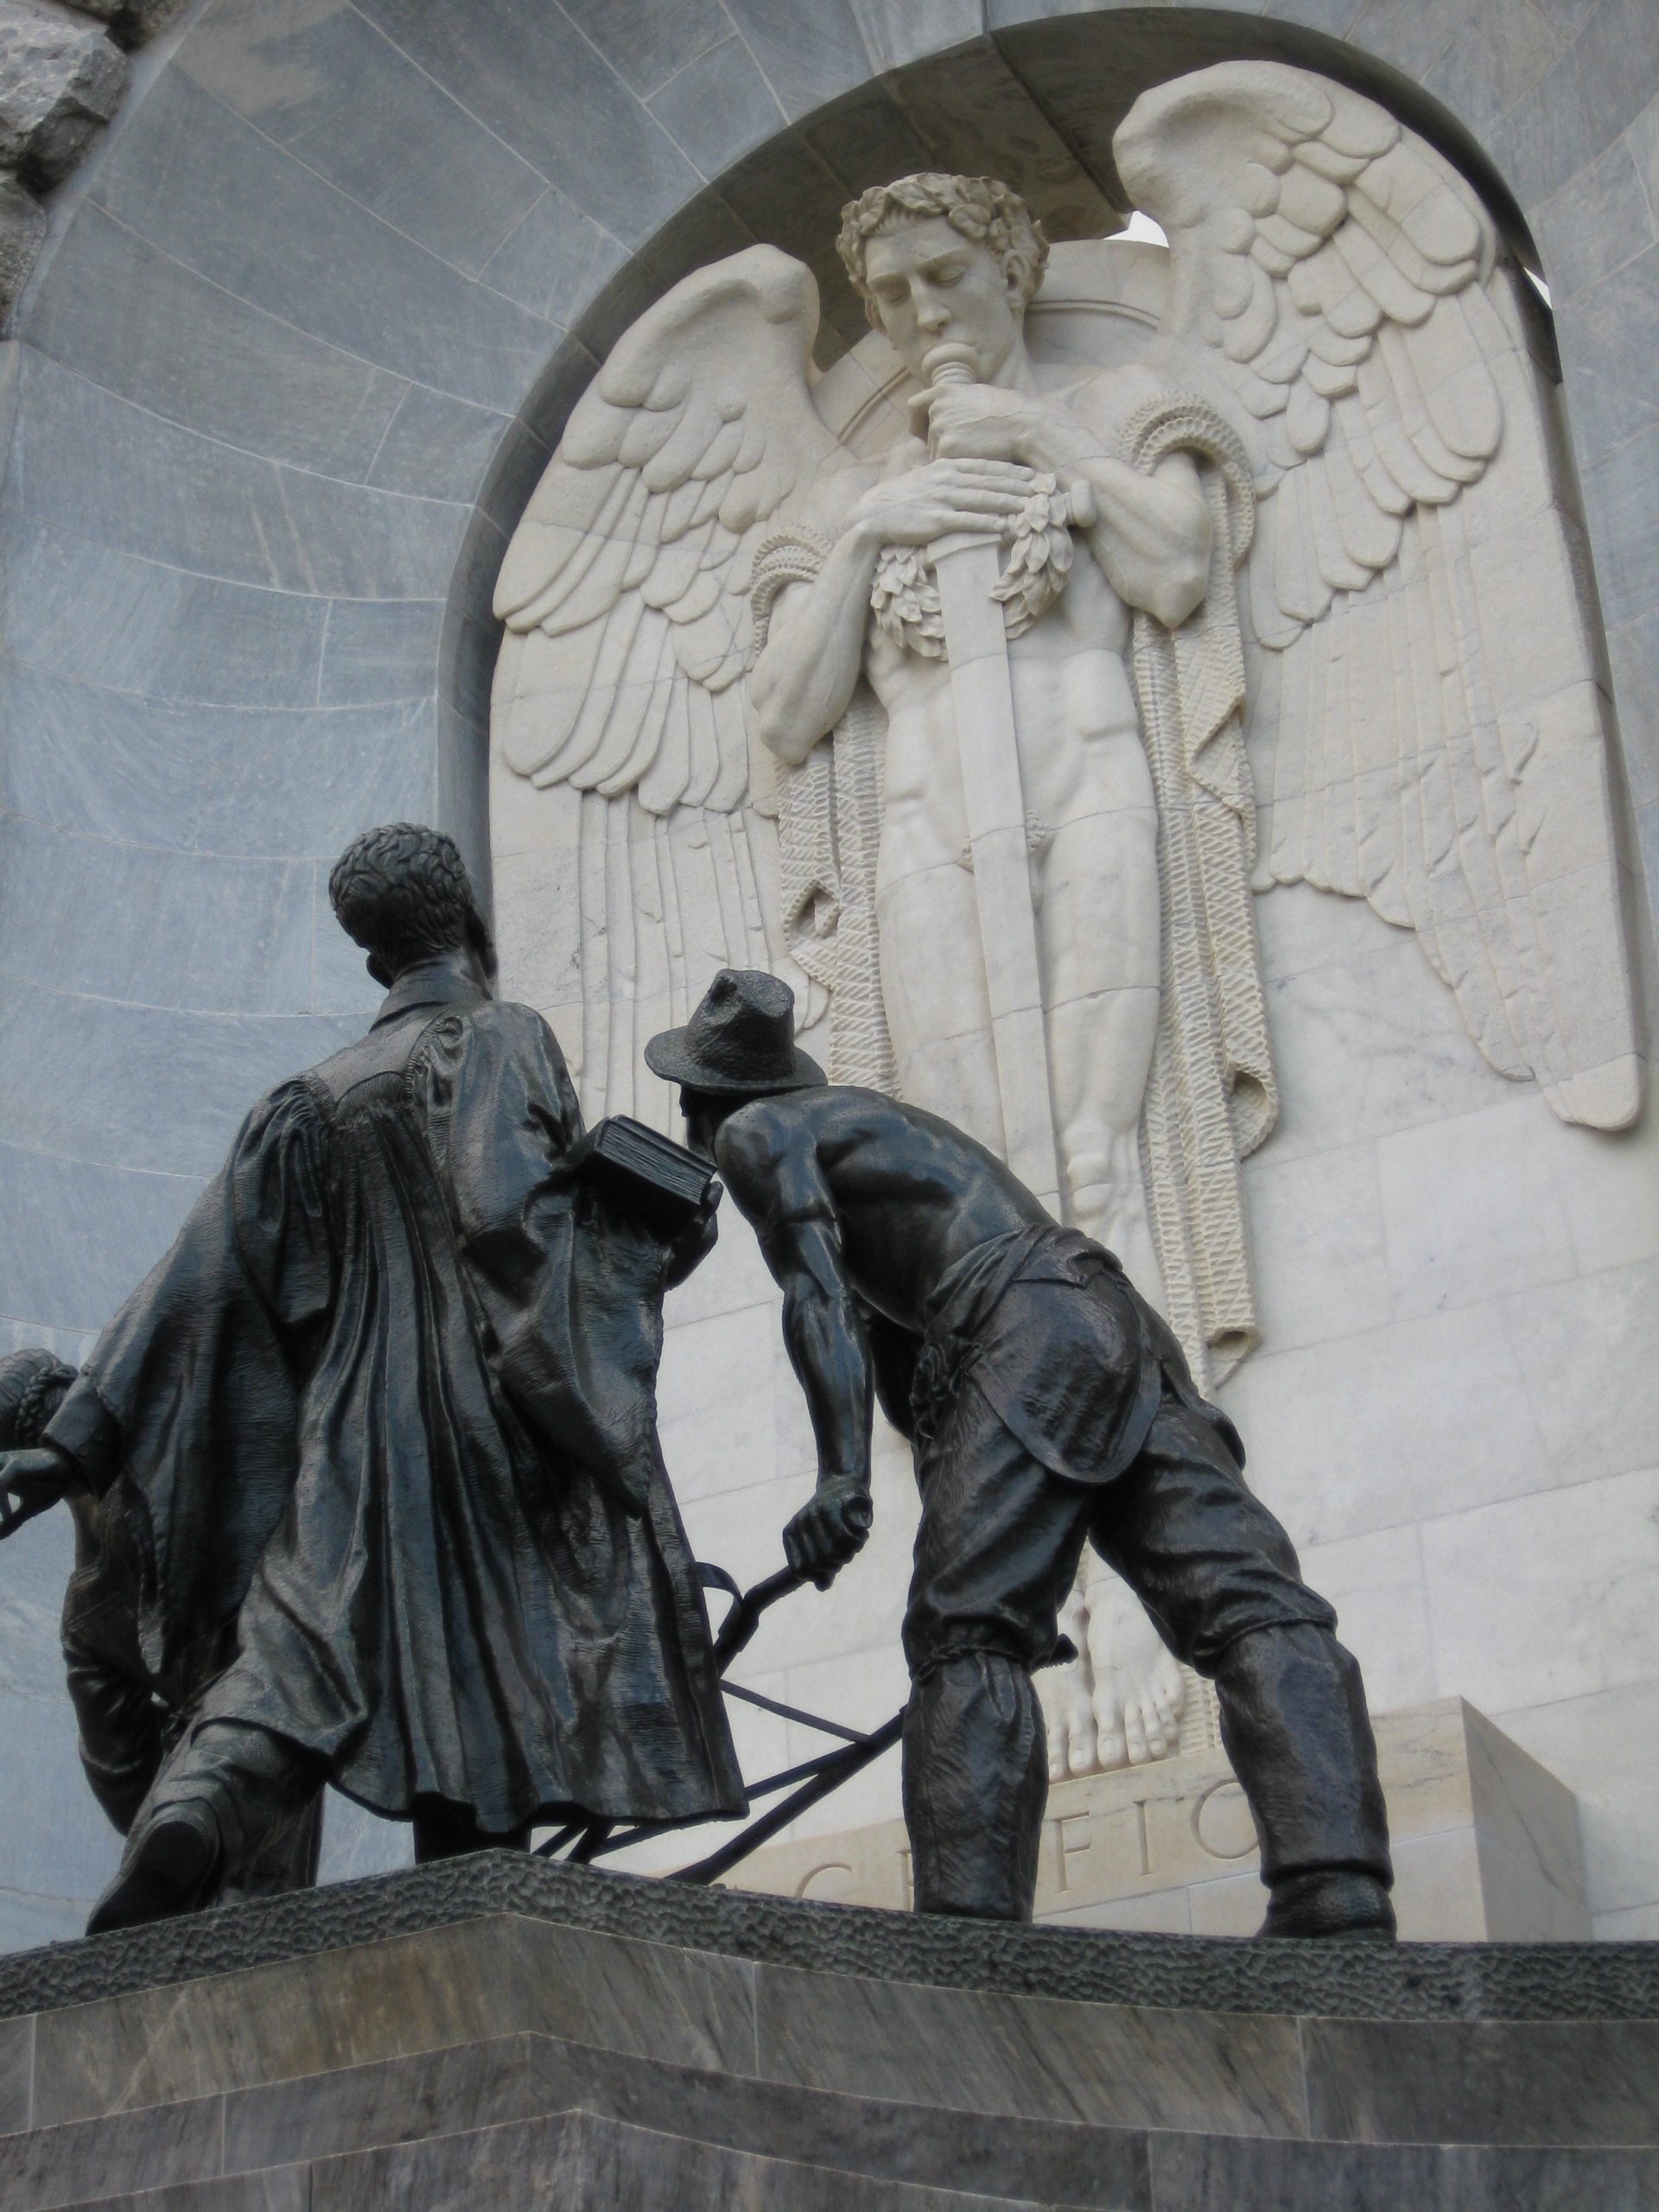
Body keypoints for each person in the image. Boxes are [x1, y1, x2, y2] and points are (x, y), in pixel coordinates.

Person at [0, 825, 742, 1931]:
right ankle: (471, 1911)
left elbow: (197, 1278)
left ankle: (196, 1808)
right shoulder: (501, 1037)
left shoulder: (305, 1099)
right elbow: (509, 1225)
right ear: (469, 920)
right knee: (497, 1683)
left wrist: (69, 1443)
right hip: (495, 1418)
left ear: (368, 961)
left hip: (349, 1430)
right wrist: (648, 1241)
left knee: (301, 1645)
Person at [645, 969, 1395, 1938]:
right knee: (1249, 1598)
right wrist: (993, 1545)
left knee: (963, 1637)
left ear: (704, 1103)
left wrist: (839, 1479)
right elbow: (916, 1390)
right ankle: (1334, 1889)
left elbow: (815, 1298)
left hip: (1024, 1324)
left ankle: (971, 1936)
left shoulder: (762, 1134)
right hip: (1110, 1312)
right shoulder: (880, 1142)